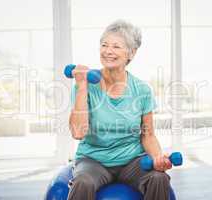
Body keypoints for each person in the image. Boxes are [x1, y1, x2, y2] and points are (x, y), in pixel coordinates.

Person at [67, 19, 172, 200]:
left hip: (132, 161)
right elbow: (78, 133)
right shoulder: (85, 84)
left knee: (158, 178)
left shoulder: (142, 90)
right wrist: (82, 86)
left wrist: (157, 158)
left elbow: (148, 135)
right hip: (93, 160)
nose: (108, 51)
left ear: (131, 53)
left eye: (116, 46)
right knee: (83, 182)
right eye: (104, 45)